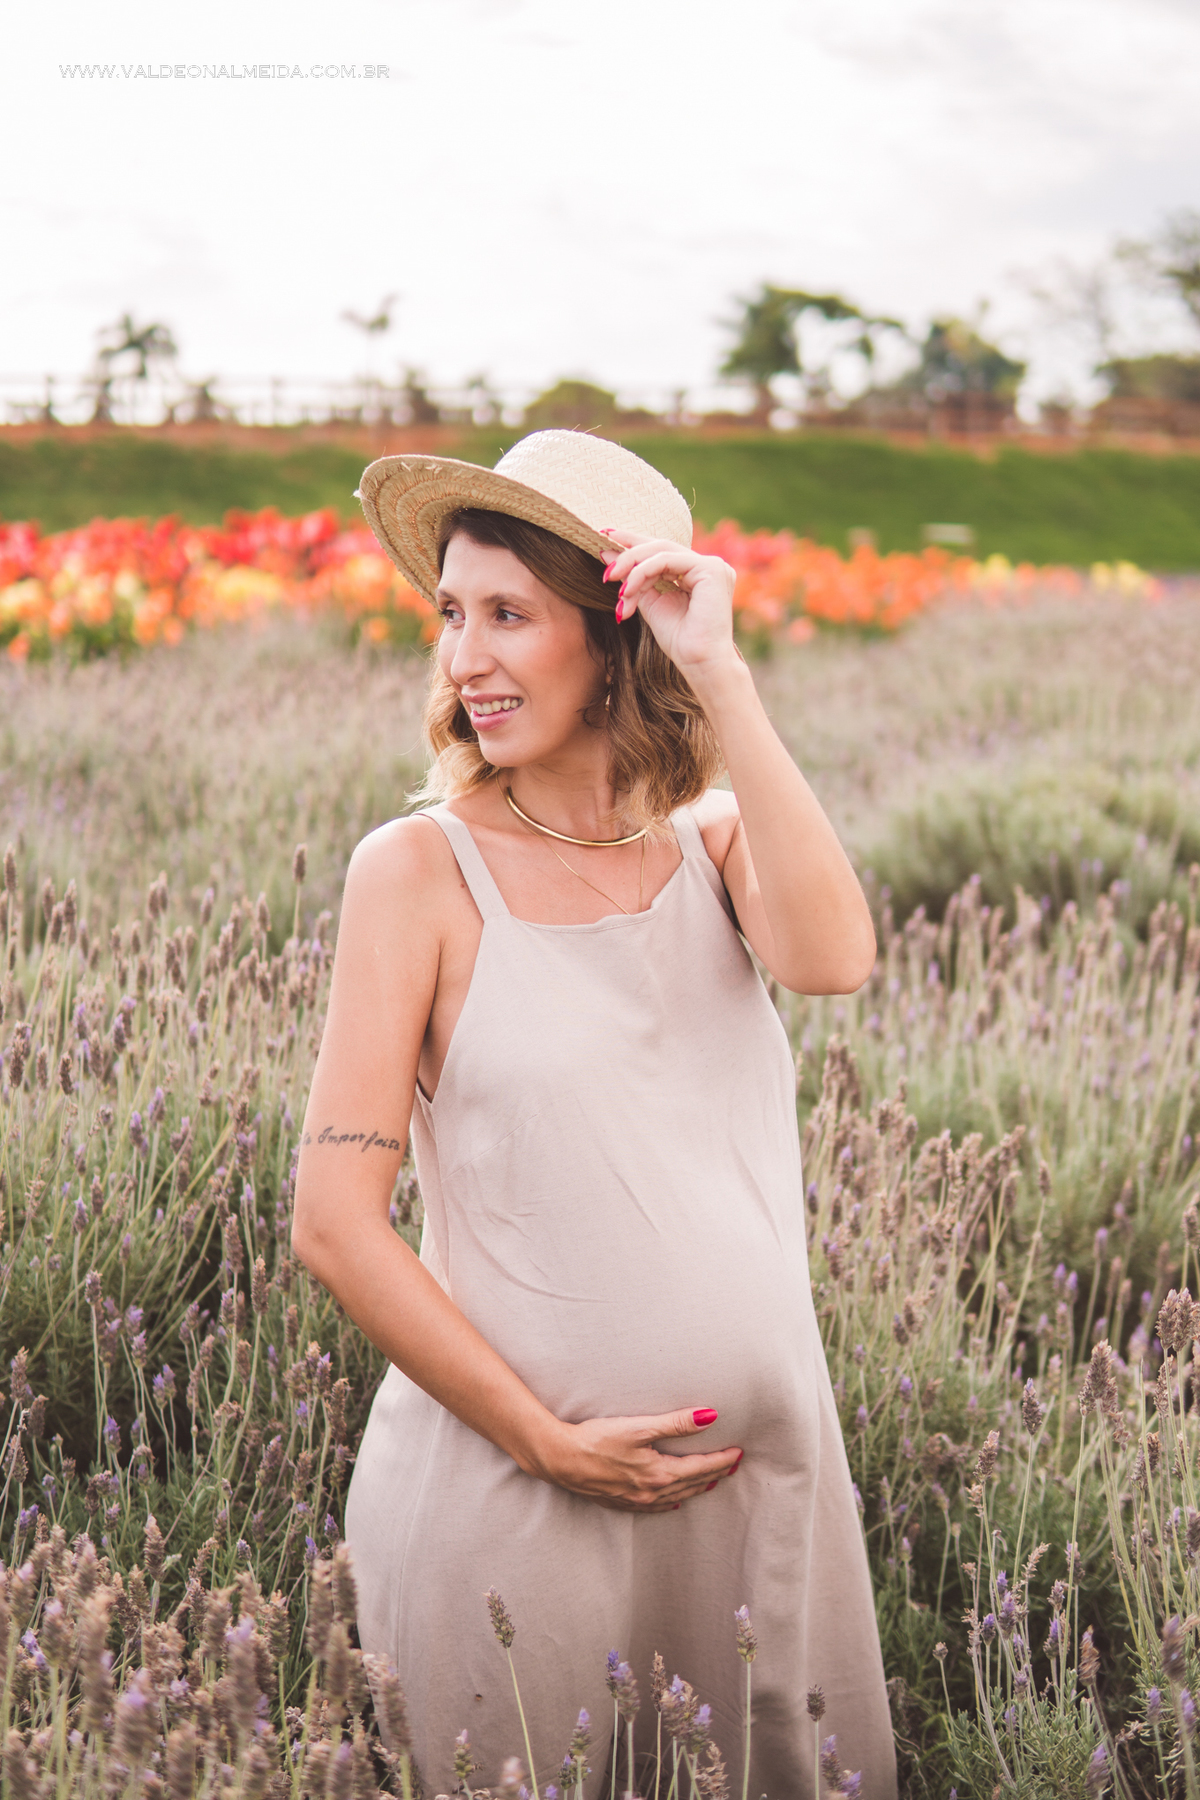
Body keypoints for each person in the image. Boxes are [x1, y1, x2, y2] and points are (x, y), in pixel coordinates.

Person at [292, 430, 897, 1798]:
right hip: (522, 1509)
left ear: (613, 638)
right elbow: (333, 1222)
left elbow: (835, 958)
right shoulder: (418, 874)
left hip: (756, 1502)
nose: (466, 659)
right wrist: (539, 1436)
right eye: (451, 614)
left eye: (509, 614)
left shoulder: (718, 847)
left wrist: (720, 672)